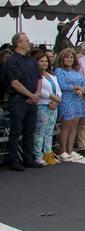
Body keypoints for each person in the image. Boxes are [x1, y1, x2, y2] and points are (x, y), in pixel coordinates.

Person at [3, 33, 42, 171]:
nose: (29, 42)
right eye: (26, 40)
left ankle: (28, 158)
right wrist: (31, 95)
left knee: (30, 130)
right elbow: (15, 83)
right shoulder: (12, 61)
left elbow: (39, 79)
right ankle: (13, 160)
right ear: (18, 43)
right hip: (18, 100)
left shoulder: (31, 60)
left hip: (32, 99)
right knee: (16, 131)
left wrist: (36, 94)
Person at [54, 48, 85, 161]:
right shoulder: (59, 71)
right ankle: (62, 151)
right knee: (66, 126)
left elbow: (83, 84)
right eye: (67, 57)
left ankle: (70, 149)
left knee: (74, 127)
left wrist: (81, 90)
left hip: (77, 100)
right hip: (66, 100)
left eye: (72, 57)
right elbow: (61, 85)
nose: (69, 59)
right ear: (62, 59)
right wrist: (74, 87)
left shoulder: (76, 72)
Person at [32, 49, 61, 166]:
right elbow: (40, 90)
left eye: (45, 61)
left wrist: (57, 100)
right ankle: (38, 155)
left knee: (49, 130)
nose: (44, 63)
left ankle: (48, 153)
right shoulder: (35, 75)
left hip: (54, 106)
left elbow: (58, 89)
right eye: (41, 61)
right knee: (40, 131)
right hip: (42, 105)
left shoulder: (51, 75)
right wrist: (53, 97)